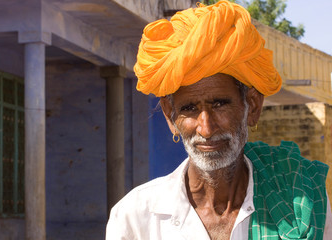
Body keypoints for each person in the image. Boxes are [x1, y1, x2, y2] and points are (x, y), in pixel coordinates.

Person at [106, 1, 332, 239]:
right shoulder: (136, 219)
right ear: (170, 116)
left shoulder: (300, 199)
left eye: (220, 104)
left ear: (252, 106)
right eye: (190, 108)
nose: (206, 128)